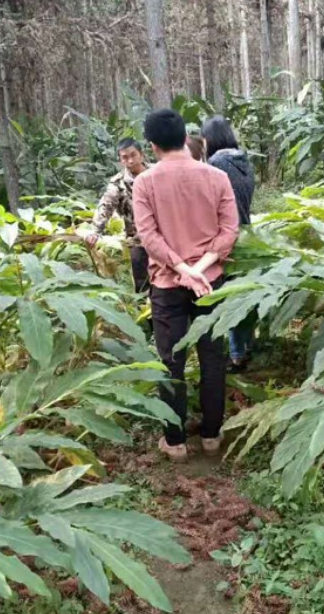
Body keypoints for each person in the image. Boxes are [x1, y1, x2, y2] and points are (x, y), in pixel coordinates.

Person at [133, 109, 239, 462]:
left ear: (151, 145)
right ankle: (211, 436)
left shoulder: (144, 183)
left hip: (166, 284)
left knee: (171, 362)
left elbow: (148, 236)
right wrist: (201, 269)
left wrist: (182, 268)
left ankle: (175, 442)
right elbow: (229, 232)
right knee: (212, 359)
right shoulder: (216, 177)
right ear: (185, 137)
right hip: (210, 283)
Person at [201, 116, 256, 372]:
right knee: (246, 292)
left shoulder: (215, 165)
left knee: (229, 297)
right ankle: (248, 345)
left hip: (227, 236)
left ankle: (235, 354)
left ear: (209, 139)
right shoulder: (245, 161)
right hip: (248, 234)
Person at [87, 138, 150, 293]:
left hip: (166, 236)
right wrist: (95, 231)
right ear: (120, 160)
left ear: (142, 154)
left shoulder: (157, 172)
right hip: (138, 240)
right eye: (125, 157)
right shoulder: (119, 183)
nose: (130, 160)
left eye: (133, 155)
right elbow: (106, 205)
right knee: (142, 284)